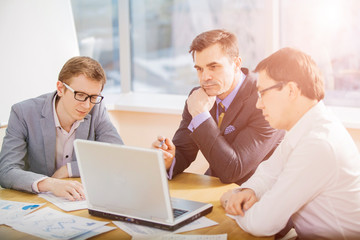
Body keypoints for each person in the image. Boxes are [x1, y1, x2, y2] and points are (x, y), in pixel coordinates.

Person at [220, 47, 360, 239]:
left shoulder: (318, 144)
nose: (258, 104)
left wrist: (230, 202)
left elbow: (263, 223)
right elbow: (268, 173)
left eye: (262, 93)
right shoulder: (307, 127)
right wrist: (247, 190)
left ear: (291, 90)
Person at [152, 29, 284, 185]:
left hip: (255, 194)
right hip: (215, 188)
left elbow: (232, 171)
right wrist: (169, 160)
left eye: (213, 67)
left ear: (236, 64)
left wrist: (201, 115)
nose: (205, 77)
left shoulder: (264, 98)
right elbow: (184, 151)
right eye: (199, 69)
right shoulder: (198, 97)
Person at [0, 56, 123, 201]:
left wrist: (69, 169)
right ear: (60, 88)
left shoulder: (97, 109)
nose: (86, 105)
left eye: (93, 97)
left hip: (76, 200)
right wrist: (50, 183)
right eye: (80, 95)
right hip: (36, 201)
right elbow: (6, 171)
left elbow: (117, 156)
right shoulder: (23, 113)